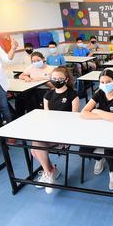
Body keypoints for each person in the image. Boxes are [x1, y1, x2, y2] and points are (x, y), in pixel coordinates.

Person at [32, 66, 79, 194]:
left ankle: (50, 173)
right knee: (34, 146)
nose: (56, 80)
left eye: (60, 78)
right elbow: (47, 116)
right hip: (51, 131)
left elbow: (74, 118)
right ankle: (50, 172)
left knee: (36, 148)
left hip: (65, 133)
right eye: (54, 78)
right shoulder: (47, 95)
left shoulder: (73, 95)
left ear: (66, 79)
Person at [80, 69, 113, 190]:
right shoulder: (99, 93)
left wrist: (98, 111)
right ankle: (99, 158)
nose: (105, 84)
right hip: (100, 127)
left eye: (108, 81)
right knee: (82, 150)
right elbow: (84, 112)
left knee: (109, 148)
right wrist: (104, 116)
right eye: (102, 82)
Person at [16, 52, 54, 117]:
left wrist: (42, 80)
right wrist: (26, 77)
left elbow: (54, 86)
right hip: (32, 88)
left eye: (38, 60)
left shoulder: (51, 69)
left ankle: (33, 115)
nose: (36, 62)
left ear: (43, 59)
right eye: (33, 61)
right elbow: (20, 76)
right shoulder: (31, 67)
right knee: (20, 96)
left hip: (44, 90)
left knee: (32, 98)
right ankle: (19, 117)